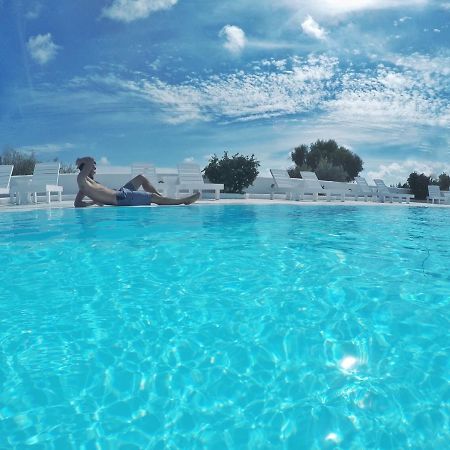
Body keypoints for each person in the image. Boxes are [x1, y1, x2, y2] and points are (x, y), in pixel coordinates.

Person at [74, 157, 200, 207]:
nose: (95, 169)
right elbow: (90, 160)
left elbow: (77, 204)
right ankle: (183, 200)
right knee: (152, 197)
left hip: (121, 192)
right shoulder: (81, 180)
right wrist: (80, 160)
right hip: (121, 198)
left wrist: (95, 201)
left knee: (141, 178)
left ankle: (161, 199)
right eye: (93, 167)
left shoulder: (88, 183)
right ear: (86, 168)